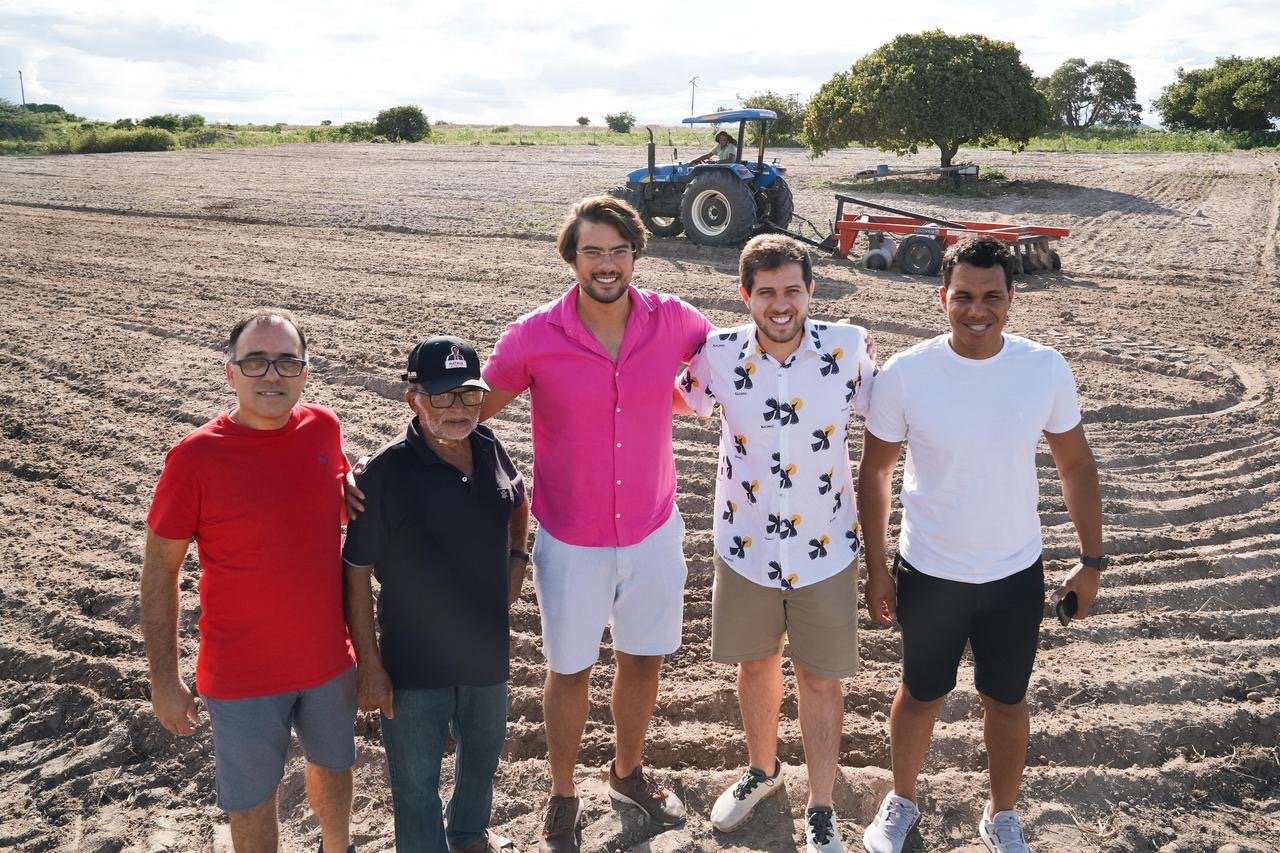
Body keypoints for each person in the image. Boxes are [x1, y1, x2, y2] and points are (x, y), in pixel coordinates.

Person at [479, 195, 713, 852]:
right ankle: (562, 792)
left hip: (653, 529)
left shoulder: (676, 320)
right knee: (571, 667)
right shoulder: (532, 336)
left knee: (643, 658)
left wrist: (834, 343)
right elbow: (468, 414)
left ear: (636, 253)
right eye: (592, 252)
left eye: (618, 251)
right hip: (570, 536)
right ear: (572, 257)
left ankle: (627, 772)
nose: (606, 264)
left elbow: (744, 357)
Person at [857, 236, 1104, 853]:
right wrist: (879, 568)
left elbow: (1075, 465)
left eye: (991, 296)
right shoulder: (905, 375)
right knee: (920, 694)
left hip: (1013, 575)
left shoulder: (1043, 368)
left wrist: (1091, 560)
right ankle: (902, 800)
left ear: (1011, 300)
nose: (977, 309)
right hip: (930, 572)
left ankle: (1002, 816)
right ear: (942, 298)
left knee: (1008, 700)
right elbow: (876, 474)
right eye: (963, 296)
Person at [676, 234, 877, 853]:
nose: (780, 303)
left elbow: (892, 414)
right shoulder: (717, 354)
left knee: (820, 679)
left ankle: (820, 806)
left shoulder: (846, 349)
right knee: (756, 664)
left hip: (826, 545)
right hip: (746, 543)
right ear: (746, 297)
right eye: (766, 292)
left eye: (792, 289)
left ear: (810, 290)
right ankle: (763, 772)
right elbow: (669, 402)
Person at [141, 309, 357, 853]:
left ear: (305, 372)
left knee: (334, 769)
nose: (272, 374)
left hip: (328, 659)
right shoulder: (194, 458)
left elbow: (333, 481)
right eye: (256, 361)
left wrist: (349, 481)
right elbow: (159, 573)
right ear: (230, 372)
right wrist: (164, 681)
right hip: (241, 673)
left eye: (287, 361)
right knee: (252, 799)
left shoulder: (324, 427)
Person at [342, 335, 529, 853]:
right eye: (443, 396)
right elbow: (355, 569)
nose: (458, 408)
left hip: (485, 649)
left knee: (482, 757)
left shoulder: (489, 446)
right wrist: (369, 665)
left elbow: (519, 502)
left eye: (468, 394)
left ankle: (468, 837)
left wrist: (517, 560)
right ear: (414, 399)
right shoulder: (383, 474)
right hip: (412, 661)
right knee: (416, 781)